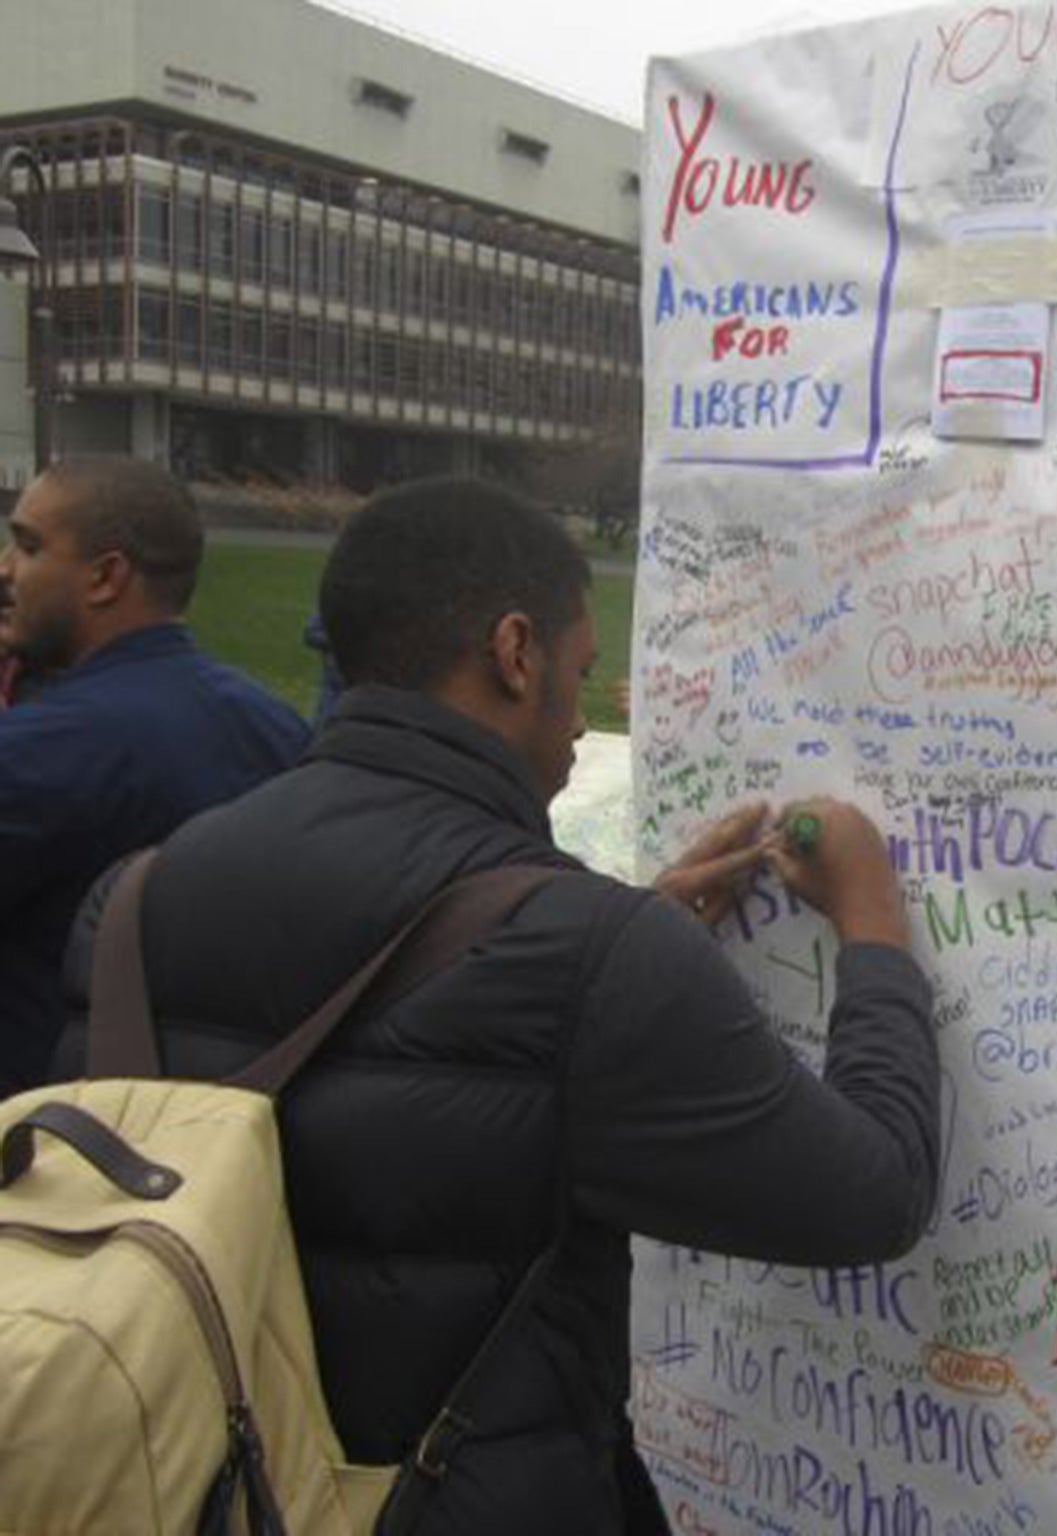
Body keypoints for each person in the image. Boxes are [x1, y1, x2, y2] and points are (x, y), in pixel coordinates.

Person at [59, 476, 939, 1533]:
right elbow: (871, 1192)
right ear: (515, 653)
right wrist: (874, 929)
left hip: (197, 1491)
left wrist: (616, 927)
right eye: (579, 672)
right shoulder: (589, 959)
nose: (577, 722)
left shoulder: (135, 897)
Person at [0, 457, 308, 1094]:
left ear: (106, 577)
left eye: (28, 546)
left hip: (53, 1136)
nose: (5, 569)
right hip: (224, 1131)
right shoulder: (277, 725)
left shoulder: (40, 748)